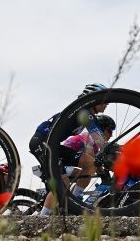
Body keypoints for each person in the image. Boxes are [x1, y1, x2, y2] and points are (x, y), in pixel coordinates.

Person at [29, 84, 110, 216]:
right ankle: (42, 218)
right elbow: (100, 142)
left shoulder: (88, 116)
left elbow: (101, 142)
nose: (107, 104)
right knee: (62, 185)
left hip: (54, 145)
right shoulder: (79, 110)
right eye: (104, 101)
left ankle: (76, 201)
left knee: (90, 163)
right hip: (41, 142)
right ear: (92, 98)